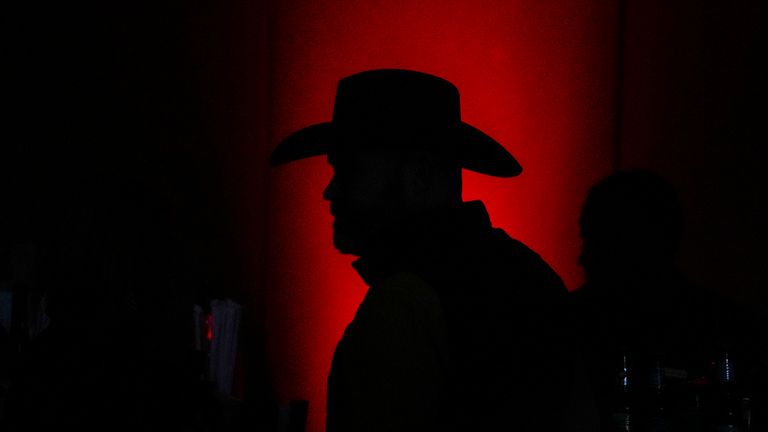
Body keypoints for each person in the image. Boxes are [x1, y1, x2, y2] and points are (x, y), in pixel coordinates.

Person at [270, 69, 572, 431]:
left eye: (351, 171)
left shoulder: (405, 304)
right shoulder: (532, 275)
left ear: (421, 175)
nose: (330, 192)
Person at [570, 170, 768, 431]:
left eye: (596, 240)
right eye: (588, 239)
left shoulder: (568, 324)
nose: (583, 258)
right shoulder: (724, 324)